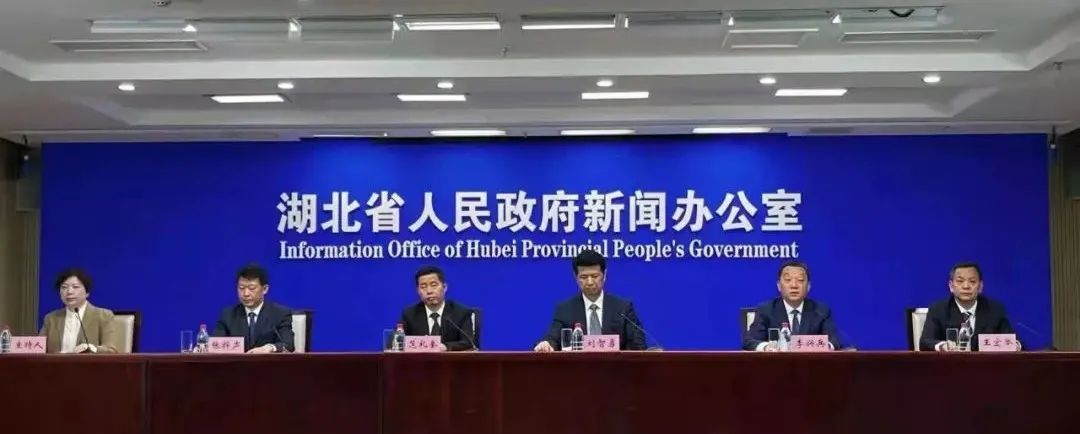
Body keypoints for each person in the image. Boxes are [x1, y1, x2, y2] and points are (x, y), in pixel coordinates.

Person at [534, 250, 646, 351]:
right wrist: (547, 344)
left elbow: (637, 344)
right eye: (583, 277)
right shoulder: (565, 309)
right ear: (575, 277)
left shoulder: (623, 308)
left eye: (594, 276)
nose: (590, 282)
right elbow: (552, 338)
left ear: (604, 275)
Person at [743, 261, 844, 351]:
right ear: (779, 285)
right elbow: (749, 341)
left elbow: (834, 340)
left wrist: (825, 347)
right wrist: (766, 347)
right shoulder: (766, 310)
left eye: (800, 280)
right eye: (788, 280)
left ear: (808, 286)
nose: (794, 285)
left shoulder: (821, 310)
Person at [919, 262, 1020, 351]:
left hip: (986, 365)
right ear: (951, 286)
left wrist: (1015, 345)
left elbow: (1013, 341)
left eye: (972, 281)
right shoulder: (938, 309)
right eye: (960, 281)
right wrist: (943, 346)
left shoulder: (995, 309)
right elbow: (925, 342)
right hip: (950, 365)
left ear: (980, 286)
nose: (966, 286)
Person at [213, 263, 295, 353]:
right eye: (241, 288)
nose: (246, 293)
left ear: (265, 289)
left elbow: (288, 345)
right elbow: (216, 345)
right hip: (237, 362)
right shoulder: (228, 315)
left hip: (267, 361)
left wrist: (269, 348)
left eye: (251, 288)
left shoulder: (279, 313)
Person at [39, 268, 122, 353]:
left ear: (87, 292)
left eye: (75, 287)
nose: (69, 292)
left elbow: (111, 350)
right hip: (56, 362)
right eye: (64, 287)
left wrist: (92, 349)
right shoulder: (51, 318)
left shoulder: (104, 316)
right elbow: (39, 349)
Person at [398, 265, 478, 351]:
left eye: (434, 285)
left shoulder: (462, 313)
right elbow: (399, 342)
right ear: (418, 291)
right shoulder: (409, 314)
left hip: (450, 359)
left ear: (445, 287)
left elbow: (468, 342)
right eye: (423, 287)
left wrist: (446, 347)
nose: (429, 291)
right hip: (420, 359)